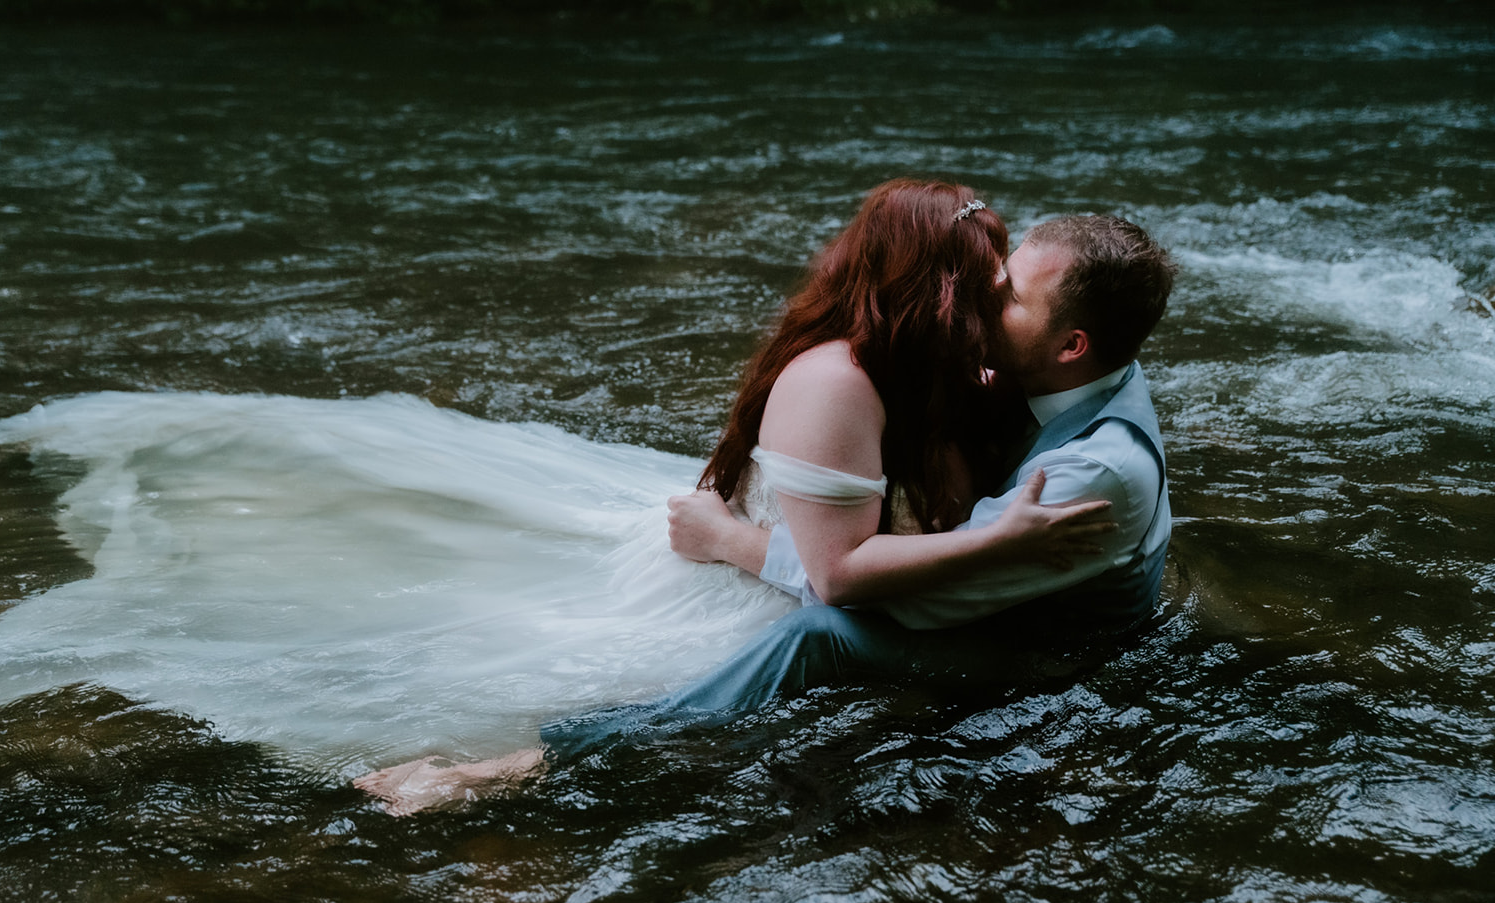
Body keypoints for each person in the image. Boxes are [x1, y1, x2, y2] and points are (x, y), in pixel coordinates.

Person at [354, 180, 1117, 814]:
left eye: (1005, 287)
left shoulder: (952, 358)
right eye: (983, 281)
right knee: (674, 728)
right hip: (771, 589)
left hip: (831, 583)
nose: (992, 296)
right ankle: (499, 772)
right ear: (931, 293)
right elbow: (836, 578)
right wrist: (1001, 540)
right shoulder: (835, 382)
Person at [649, 213, 1176, 713]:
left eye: (1011, 295)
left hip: (1035, 660)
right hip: (1000, 604)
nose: (986, 292)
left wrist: (730, 541)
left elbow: (915, 602)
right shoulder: (1065, 371)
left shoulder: (1097, 471)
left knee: (816, 637)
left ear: (1071, 346)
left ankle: (632, 739)